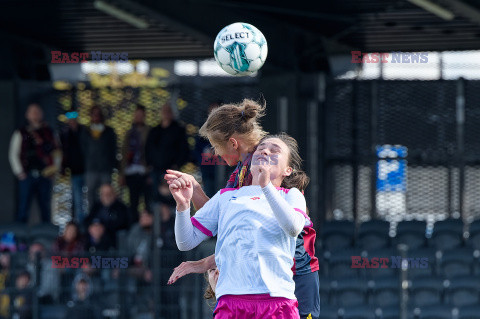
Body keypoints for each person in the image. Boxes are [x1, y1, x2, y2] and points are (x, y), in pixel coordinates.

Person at [166, 99, 320, 319]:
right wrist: (190, 196)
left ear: (232, 143)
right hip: (250, 289)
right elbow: (228, 221)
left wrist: (207, 262)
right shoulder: (241, 175)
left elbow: (270, 229)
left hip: (295, 275)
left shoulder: (266, 169)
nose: (216, 154)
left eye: (215, 146)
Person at [9, 103, 61, 223]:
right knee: (23, 207)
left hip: (44, 175)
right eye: (32, 112)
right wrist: (19, 172)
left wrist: (54, 170)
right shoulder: (21, 132)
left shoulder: (49, 132)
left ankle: (46, 235)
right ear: (27, 115)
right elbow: (13, 153)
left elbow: (57, 152)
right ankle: (20, 238)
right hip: (27, 175)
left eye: (37, 112)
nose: (35, 114)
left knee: (45, 207)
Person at [145, 103, 190, 205]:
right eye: (164, 111)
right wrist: (149, 166)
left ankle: (171, 220)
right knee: (155, 198)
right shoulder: (154, 131)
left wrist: (177, 165)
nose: (166, 113)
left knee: (171, 198)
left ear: (172, 113)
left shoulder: (178, 130)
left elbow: (184, 150)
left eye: (168, 111)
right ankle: (156, 219)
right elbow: (147, 149)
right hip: (155, 170)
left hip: (171, 171)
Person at [81, 106, 117, 210]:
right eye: (94, 114)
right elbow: (83, 149)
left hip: (105, 169)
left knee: (107, 194)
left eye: (98, 114)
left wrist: (112, 166)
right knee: (90, 195)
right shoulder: (86, 132)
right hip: (91, 169)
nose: (96, 116)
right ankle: (93, 218)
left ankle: (107, 215)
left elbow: (113, 150)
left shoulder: (109, 131)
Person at [119, 104, 151, 223]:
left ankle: (147, 226)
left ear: (144, 116)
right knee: (133, 202)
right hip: (130, 172)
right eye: (136, 115)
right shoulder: (129, 133)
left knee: (148, 202)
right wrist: (121, 174)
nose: (138, 117)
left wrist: (149, 171)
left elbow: (151, 152)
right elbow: (123, 153)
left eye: (141, 115)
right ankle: (134, 228)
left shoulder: (149, 132)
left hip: (144, 172)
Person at [60, 112, 86, 224]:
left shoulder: (84, 132)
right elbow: (63, 152)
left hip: (87, 170)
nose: (72, 121)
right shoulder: (65, 134)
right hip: (74, 172)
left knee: (87, 198)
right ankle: (79, 223)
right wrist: (63, 168)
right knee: (77, 200)